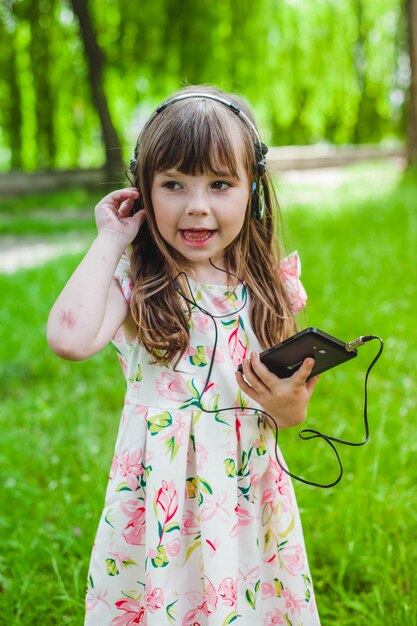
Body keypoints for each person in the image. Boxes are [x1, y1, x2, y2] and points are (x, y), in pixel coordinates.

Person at [47, 85, 321, 626]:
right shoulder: (138, 283)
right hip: (160, 499)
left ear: (253, 191)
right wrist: (111, 239)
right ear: (143, 191)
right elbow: (69, 338)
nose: (197, 205)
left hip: (247, 495)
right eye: (174, 184)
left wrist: (288, 407)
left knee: (247, 601)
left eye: (220, 184)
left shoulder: (270, 287)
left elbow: (290, 412)